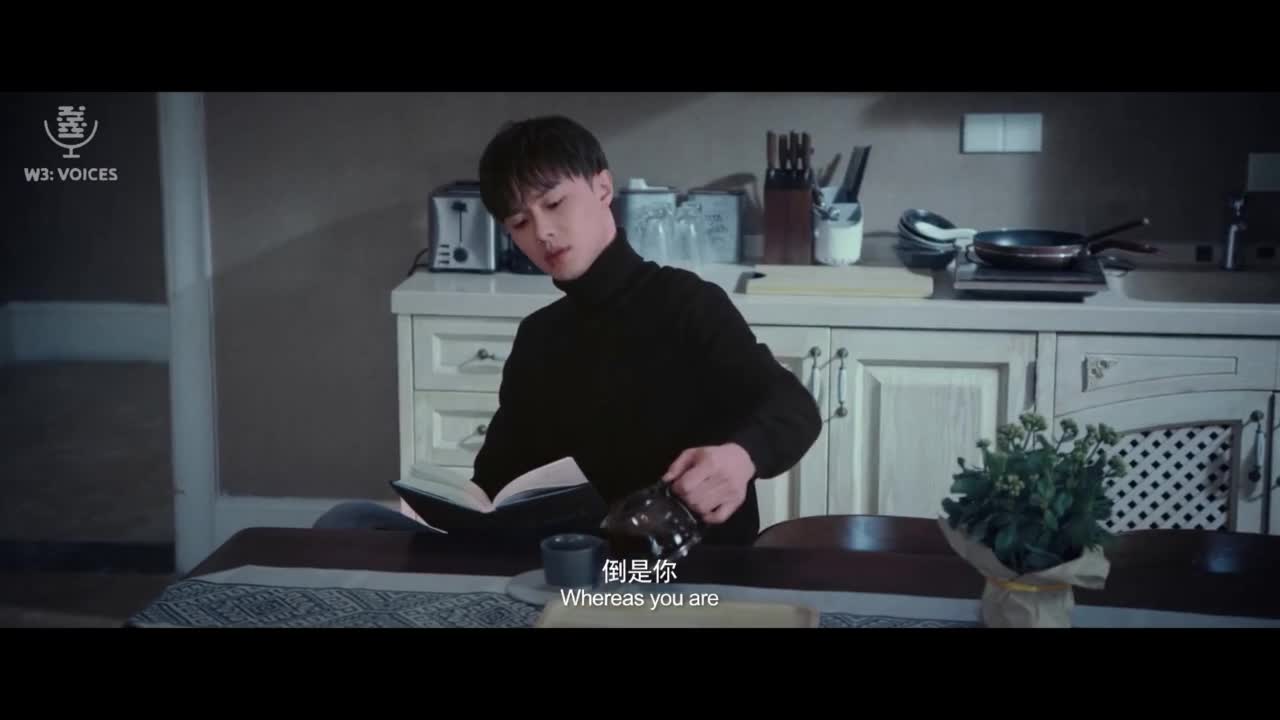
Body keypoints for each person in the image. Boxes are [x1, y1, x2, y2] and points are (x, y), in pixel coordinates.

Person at [317, 115, 821, 546]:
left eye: (554, 203)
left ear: (602, 188)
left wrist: (740, 458)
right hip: (561, 559)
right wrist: (448, 510)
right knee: (347, 520)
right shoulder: (539, 336)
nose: (542, 232)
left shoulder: (687, 302)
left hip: (666, 564)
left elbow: (794, 407)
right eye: (519, 223)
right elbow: (495, 482)